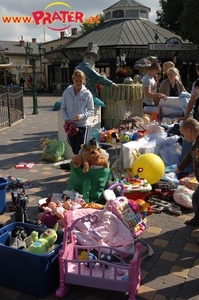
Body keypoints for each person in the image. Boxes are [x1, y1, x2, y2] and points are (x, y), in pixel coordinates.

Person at [61, 69, 94, 155]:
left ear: (83, 80)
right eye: (76, 81)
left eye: (80, 81)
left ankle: (80, 166)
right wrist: (66, 118)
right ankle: (76, 165)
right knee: (74, 149)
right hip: (70, 126)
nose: (78, 83)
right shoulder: (66, 92)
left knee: (80, 149)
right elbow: (63, 108)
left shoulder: (87, 93)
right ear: (73, 80)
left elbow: (91, 110)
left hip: (82, 125)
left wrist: (82, 116)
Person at [75, 42, 117, 107]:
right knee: (101, 105)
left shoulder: (77, 67)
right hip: (90, 94)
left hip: (77, 93)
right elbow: (99, 78)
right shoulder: (87, 67)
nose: (94, 62)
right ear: (91, 58)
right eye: (94, 60)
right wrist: (111, 83)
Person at [175, 118, 199, 225]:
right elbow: (190, 156)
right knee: (196, 198)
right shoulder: (195, 143)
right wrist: (180, 168)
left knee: (197, 198)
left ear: (189, 131)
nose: (184, 137)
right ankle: (197, 218)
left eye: (184, 134)